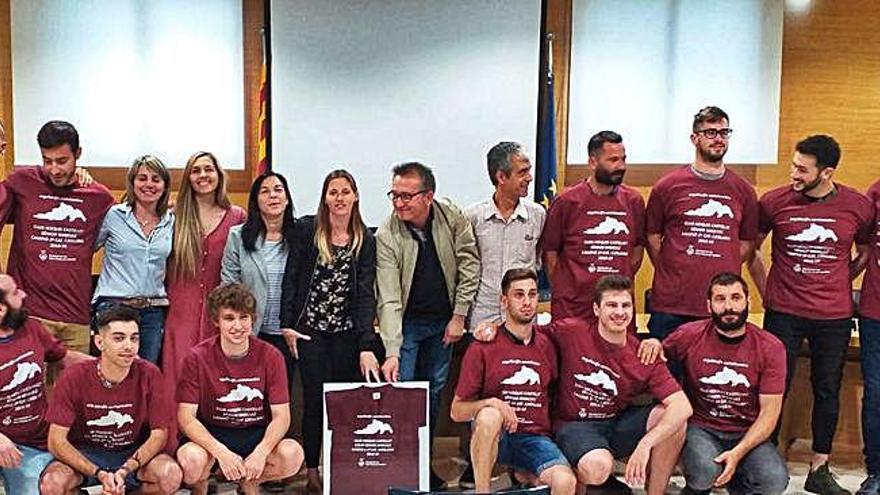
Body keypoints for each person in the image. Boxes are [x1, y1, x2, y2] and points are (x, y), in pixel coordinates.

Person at [476, 274, 691, 494]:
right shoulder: (572, 331)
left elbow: (683, 406)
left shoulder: (643, 353)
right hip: (574, 426)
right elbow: (523, 329)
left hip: (615, 423)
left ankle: (655, 492)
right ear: (597, 309)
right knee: (598, 467)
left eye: (625, 305)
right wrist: (493, 327)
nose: (619, 312)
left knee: (675, 420)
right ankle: (562, 474)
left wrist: (646, 443)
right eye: (611, 305)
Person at [748, 135, 874, 495]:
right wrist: (767, 290)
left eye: (802, 169)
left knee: (827, 388)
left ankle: (820, 467)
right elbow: (751, 251)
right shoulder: (773, 202)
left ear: (827, 172)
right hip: (783, 311)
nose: (794, 174)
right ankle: (762, 457)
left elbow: (864, 253)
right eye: (793, 165)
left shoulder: (858, 206)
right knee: (775, 387)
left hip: (832, 316)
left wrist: (839, 280)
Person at [376, 161, 480, 488]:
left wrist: (459, 316)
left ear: (429, 196)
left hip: (444, 323)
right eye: (394, 195)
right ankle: (403, 467)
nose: (399, 203)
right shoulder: (387, 233)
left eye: (407, 196)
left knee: (433, 394)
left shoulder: (452, 216)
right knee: (403, 395)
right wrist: (391, 350)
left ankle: (424, 464)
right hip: (407, 325)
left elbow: (469, 264)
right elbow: (389, 298)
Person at [638, 272, 789, 494]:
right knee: (703, 472)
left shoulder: (771, 347)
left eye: (735, 298)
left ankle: (736, 483)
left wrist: (738, 452)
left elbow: (770, 412)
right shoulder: (689, 335)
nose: (729, 307)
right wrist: (653, 342)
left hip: (746, 431)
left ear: (748, 302)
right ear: (709, 306)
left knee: (774, 480)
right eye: (720, 299)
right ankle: (697, 489)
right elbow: (658, 352)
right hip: (701, 428)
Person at [280, 169, 381, 492]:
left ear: (356, 196)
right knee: (313, 402)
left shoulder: (365, 239)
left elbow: (366, 294)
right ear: (325, 197)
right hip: (310, 333)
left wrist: (366, 342)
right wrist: (287, 325)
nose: (339, 198)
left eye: (345, 191)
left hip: (346, 335)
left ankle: (340, 468)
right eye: (333, 192)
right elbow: (292, 278)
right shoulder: (308, 230)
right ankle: (311, 470)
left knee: (343, 404)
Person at [451, 268, 576, 494]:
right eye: (519, 295)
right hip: (497, 438)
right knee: (490, 415)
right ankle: (483, 491)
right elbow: (456, 411)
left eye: (532, 294)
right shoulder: (483, 345)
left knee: (566, 482)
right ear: (503, 300)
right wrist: (492, 403)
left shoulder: (548, 343)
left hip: (534, 438)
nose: (527, 302)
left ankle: (524, 474)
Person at [176, 283, 304, 495]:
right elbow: (186, 417)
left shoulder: (271, 356)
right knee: (191, 461)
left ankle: (251, 483)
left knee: (292, 455)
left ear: (252, 319)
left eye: (243, 317)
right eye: (229, 318)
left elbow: (282, 416)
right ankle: (201, 486)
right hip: (213, 433)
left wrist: (261, 452)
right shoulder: (196, 357)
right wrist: (221, 453)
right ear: (216, 321)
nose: (237, 326)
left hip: (255, 433)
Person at [0, 120, 114, 354]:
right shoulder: (22, 182)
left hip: (76, 317)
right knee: (30, 388)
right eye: (47, 161)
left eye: (62, 161)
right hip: (30, 315)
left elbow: (131, 222)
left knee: (74, 389)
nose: (54, 169)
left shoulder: (99, 197)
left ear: (78, 154)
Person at [40, 306, 181, 495]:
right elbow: (56, 440)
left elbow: (159, 434)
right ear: (99, 342)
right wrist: (99, 473)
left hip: (131, 452)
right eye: (119, 338)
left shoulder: (150, 374)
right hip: (86, 452)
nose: (128, 346)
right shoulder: (73, 376)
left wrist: (126, 469)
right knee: (52, 484)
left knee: (170, 475)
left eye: (134, 338)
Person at [645, 107, 758, 340]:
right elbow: (652, 238)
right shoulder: (667, 186)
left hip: (721, 307)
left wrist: (723, 260)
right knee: (665, 375)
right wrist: (672, 267)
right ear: (694, 138)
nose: (718, 138)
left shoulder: (744, 190)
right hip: (671, 305)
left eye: (724, 132)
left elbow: (747, 243)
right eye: (710, 133)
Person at [162, 151, 246, 393]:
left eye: (208, 169)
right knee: (179, 378)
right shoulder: (173, 216)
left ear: (219, 175)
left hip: (219, 312)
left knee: (218, 378)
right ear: (188, 178)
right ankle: (177, 431)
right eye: (196, 171)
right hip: (181, 311)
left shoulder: (237, 217)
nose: (202, 175)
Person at [540, 130, 645, 323]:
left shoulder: (634, 201)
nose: (621, 166)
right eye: (613, 160)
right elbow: (550, 254)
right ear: (593, 162)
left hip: (617, 309)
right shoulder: (567, 201)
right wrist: (568, 288)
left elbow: (637, 252)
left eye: (623, 159)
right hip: (573, 309)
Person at [0, 274, 90, 494]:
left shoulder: (32, 328)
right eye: (15, 293)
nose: (23, 294)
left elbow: (64, 357)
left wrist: (109, 363)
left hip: (32, 445)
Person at [93, 155, 174, 363]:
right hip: (114, 307)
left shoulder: (171, 222)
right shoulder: (113, 216)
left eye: (156, 179)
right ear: (132, 182)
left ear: (165, 186)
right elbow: (86, 249)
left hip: (152, 312)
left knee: (146, 375)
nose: (149, 184)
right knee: (115, 373)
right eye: (142, 178)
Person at [221, 171, 298, 389]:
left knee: (281, 398)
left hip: (288, 334)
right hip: (250, 332)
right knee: (249, 396)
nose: (272, 196)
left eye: (278, 190)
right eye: (265, 191)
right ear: (255, 200)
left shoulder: (301, 236)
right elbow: (229, 287)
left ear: (287, 198)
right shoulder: (238, 236)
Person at [465, 142, 546, 326]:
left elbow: (539, 260)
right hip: (483, 316)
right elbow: (466, 269)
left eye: (529, 170)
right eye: (522, 172)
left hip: (523, 318)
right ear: (501, 176)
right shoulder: (473, 217)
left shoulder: (537, 215)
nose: (530, 178)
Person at [858, 178, 880, 495]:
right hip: (876, 313)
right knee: (876, 395)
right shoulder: (875, 192)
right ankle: (875, 471)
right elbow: (862, 247)